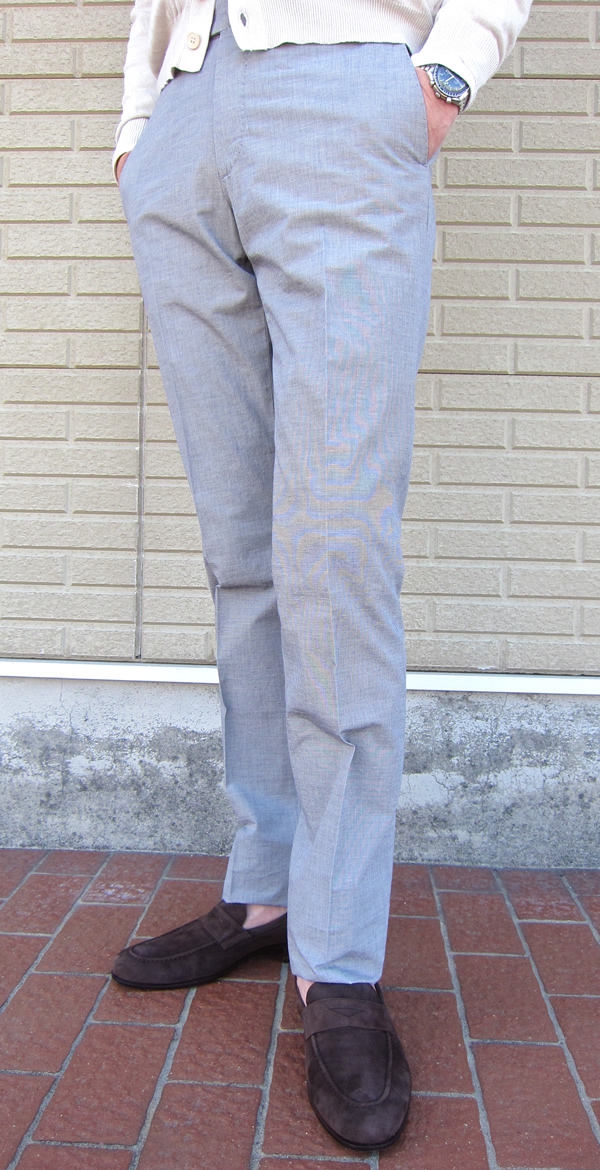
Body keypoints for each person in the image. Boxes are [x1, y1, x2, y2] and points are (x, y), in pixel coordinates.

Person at [111, 0, 533, 1151]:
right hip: (185, 124)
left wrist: (447, 73)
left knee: (335, 553)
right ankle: (267, 886)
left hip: (344, 91)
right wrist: (140, 126)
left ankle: (338, 957)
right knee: (242, 553)